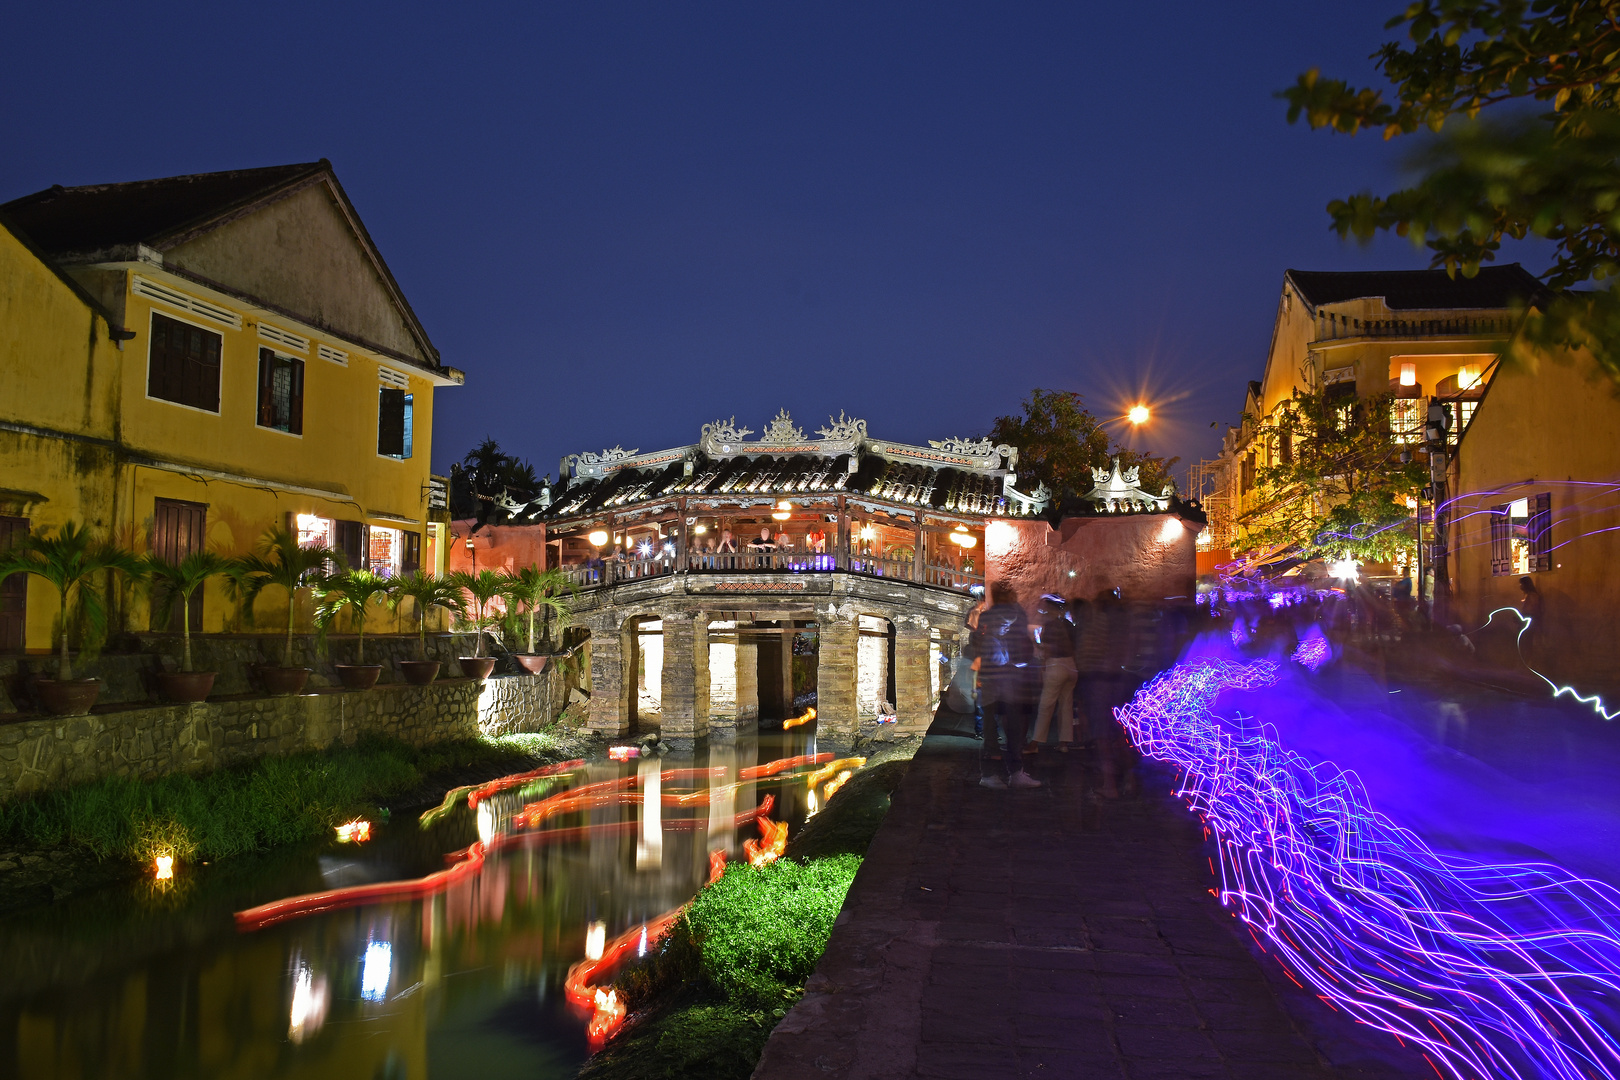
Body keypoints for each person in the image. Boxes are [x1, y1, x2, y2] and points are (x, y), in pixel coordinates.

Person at [970, 583, 1042, 789]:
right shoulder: (998, 628)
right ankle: (1001, 773)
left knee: (996, 729)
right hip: (999, 684)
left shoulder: (990, 621)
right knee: (1003, 729)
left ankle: (1002, 773)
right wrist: (1015, 664)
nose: (1007, 628)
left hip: (997, 684)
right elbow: (999, 658)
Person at [1029, 595, 1077, 752]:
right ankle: (1064, 744)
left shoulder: (1050, 624)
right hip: (1071, 665)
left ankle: (1035, 743)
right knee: (1066, 705)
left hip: (1056, 665)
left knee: (1046, 705)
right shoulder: (1068, 624)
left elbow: (1049, 649)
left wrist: (1038, 645)